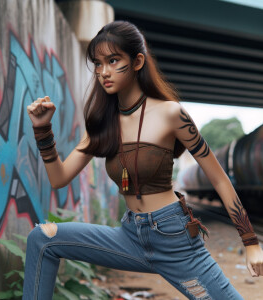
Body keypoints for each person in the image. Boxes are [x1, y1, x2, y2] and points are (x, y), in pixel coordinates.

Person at [23, 20, 263, 299]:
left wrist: (250, 242)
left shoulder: (171, 114)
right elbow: (59, 178)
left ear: (137, 61)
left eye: (113, 61)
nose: (104, 72)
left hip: (175, 240)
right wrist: (42, 130)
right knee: (42, 239)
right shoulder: (103, 124)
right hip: (130, 237)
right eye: (98, 64)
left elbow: (219, 179)